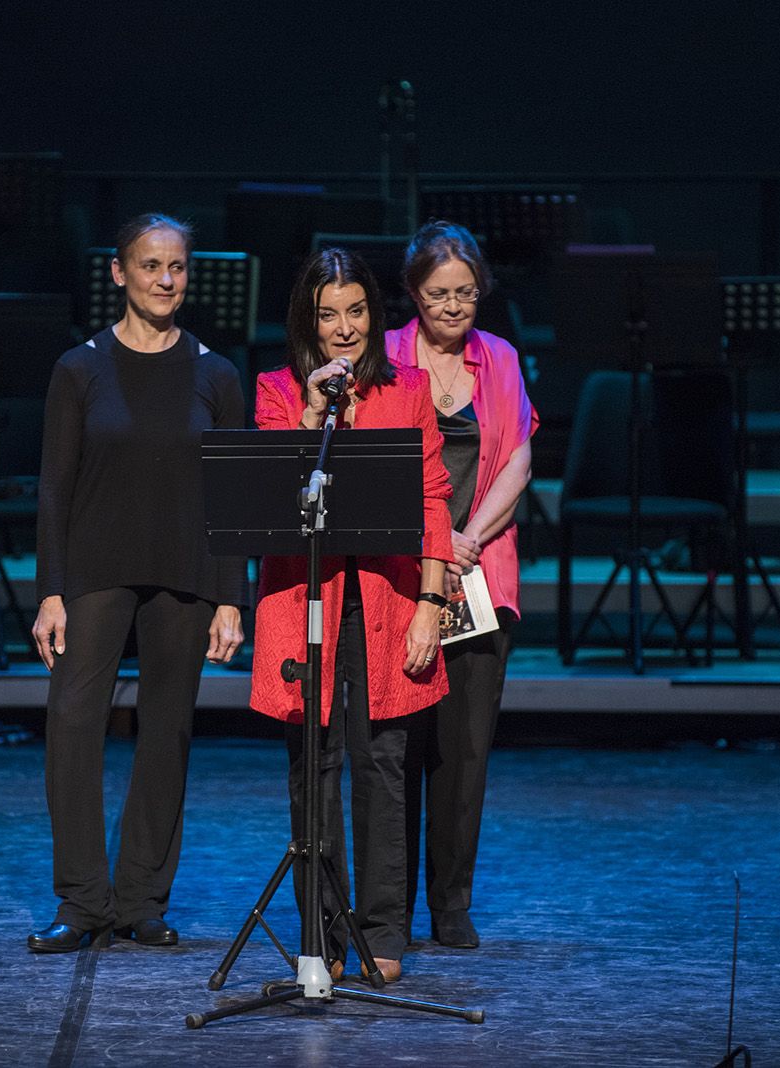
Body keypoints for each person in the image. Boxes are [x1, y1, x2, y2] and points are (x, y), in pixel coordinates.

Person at [28, 213, 247, 953]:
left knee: (168, 730)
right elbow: (54, 487)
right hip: (93, 570)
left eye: (176, 267)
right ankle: (83, 900)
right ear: (118, 273)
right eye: (149, 266)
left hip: (184, 573)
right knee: (74, 725)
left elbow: (230, 498)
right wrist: (50, 590)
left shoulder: (217, 374)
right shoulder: (80, 369)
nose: (164, 280)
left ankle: (142, 899)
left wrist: (229, 598)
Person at [250, 247, 453, 983]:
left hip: (390, 601)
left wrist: (431, 604)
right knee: (315, 763)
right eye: (328, 314)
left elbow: (434, 498)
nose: (344, 329)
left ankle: (383, 929)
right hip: (307, 601)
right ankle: (322, 933)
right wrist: (311, 409)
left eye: (357, 311)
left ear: (375, 312)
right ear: (309, 319)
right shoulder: (278, 391)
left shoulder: (409, 389)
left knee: (383, 763)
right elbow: (273, 497)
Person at [388, 221, 537, 950]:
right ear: (414, 293)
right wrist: (433, 545)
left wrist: (467, 537)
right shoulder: (383, 355)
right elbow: (372, 463)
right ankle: (391, 907)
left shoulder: (500, 358)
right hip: (400, 578)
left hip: (480, 575)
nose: (454, 307)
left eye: (466, 294)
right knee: (397, 746)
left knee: (464, 749)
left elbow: (519, 462)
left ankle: (451, 905)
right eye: (440, 294)